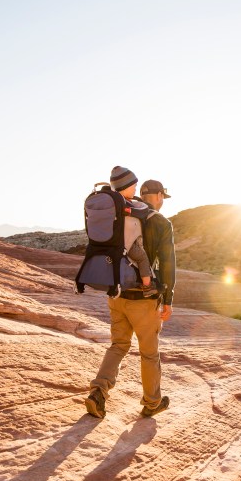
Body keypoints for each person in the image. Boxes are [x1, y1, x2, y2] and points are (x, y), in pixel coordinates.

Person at [85, 167, 177, 419]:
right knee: (149, 353)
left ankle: (98, 392)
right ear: (157, 196)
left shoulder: (120, 212)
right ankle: (152, 401)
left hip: (116, 293)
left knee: (118, 345)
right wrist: (167, 299)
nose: (161, 202)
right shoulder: (159, 222)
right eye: (162, 197)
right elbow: (168, 264)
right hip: (143, 299)